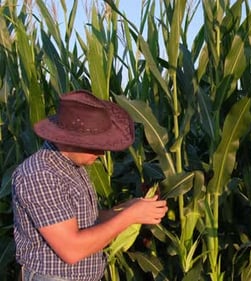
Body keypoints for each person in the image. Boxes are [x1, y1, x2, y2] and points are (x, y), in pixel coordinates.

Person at [11, 90, 168, 281]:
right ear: (70, 140)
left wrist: (125, 209)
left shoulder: (71, 165)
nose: (102, 153)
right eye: (95, 144)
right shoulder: (40, 174)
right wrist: (129, 217)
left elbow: (82, 220)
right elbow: (72, 250)